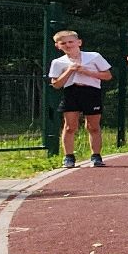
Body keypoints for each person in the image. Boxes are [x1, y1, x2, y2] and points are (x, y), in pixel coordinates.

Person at [48, 30, 111, 168]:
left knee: (93, 126)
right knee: (70, 126)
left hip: (91, 92)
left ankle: (96, 156)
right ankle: (68, 157)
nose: (68, 45)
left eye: (71, 42)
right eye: (63, 43)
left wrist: (87, 72)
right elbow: (56, 84)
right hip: (71, 92)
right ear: (58, 46)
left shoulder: (94, 56)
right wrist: (69, 70)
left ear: (79, 42)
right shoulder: (58, 62)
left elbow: (107, 75)